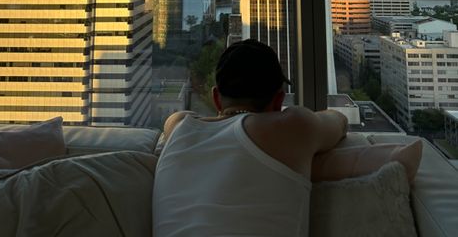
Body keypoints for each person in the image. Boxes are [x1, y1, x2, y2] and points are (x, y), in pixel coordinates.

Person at [152, 39, 421, 237]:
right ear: (279, 98)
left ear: (215, 97)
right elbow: (338, 123)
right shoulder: (291, 127)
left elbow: (184, 120)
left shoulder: (178, 126)